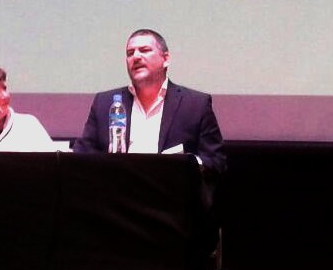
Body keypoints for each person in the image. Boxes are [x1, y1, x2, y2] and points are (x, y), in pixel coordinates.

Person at [72, 29, 227, 176]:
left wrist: (186, 164)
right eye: (130, 53)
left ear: (165, 59)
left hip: (170, 191)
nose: (136, 57)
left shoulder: (195, 104)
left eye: (144, 50)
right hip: (117, 190)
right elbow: (82, 156)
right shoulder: (105, 103)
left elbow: (216, 162)